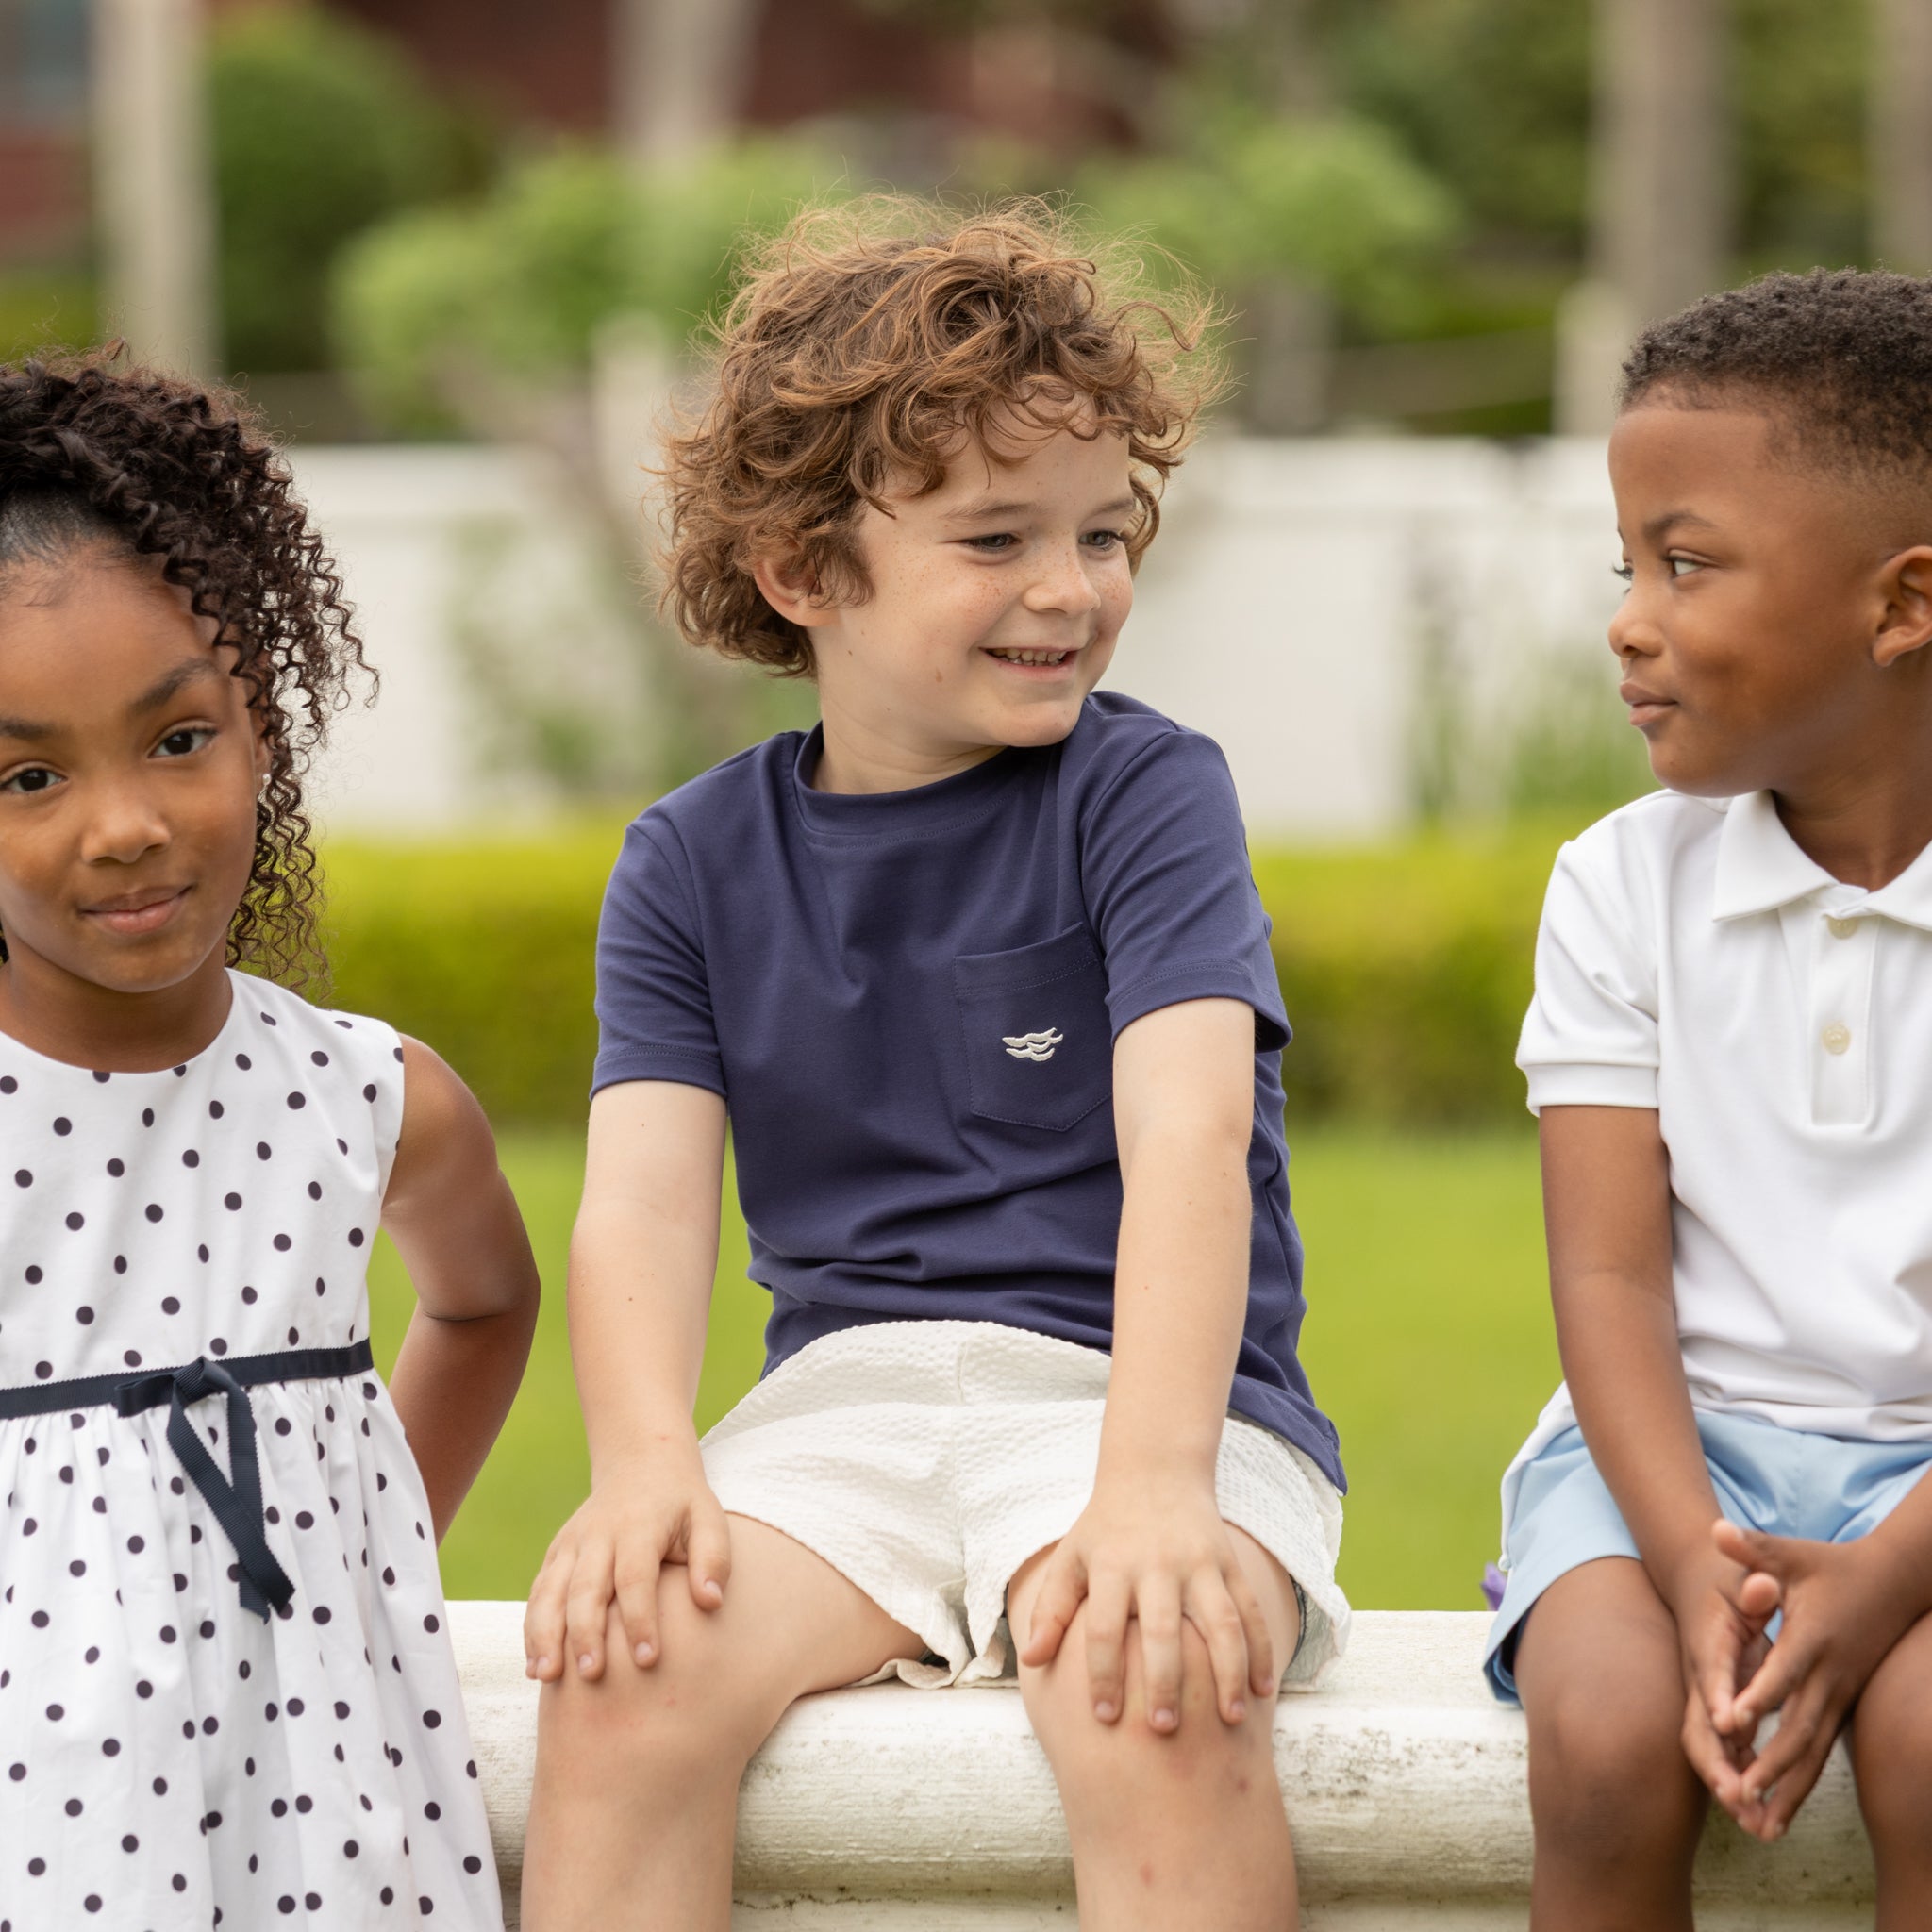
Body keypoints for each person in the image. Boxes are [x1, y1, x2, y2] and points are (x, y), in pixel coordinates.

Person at [519, 198, 1348, 1932]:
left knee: (1148, 1676)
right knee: (628, 1674)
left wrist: (1152, 1487)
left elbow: (1191, 1143)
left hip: (1151, 1404)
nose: (1070, 589)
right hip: (847, 1408)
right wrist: (647, 1464)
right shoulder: (687, 861)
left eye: (1103, 533)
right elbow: (642, 1210)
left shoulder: (1145, 794)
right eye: (995, 538)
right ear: (805, 572)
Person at [0, 352, 541, 1931]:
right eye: (29, 775)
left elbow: (485, 1303)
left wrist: (361, 1529)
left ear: (264, 727)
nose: (126, 823)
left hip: (335, 1795)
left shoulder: (365, 1096)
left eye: (179, 739)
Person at [1482, 269, 1932, 1929]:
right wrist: (1689, 1563)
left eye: (1685, 564)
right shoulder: (1620, 885)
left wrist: (1885, 1579)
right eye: (1628, 568)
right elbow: (1607, 1276)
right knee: (1607, 1743)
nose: (1628, 619)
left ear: (1904, 603)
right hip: (1672, 1462)